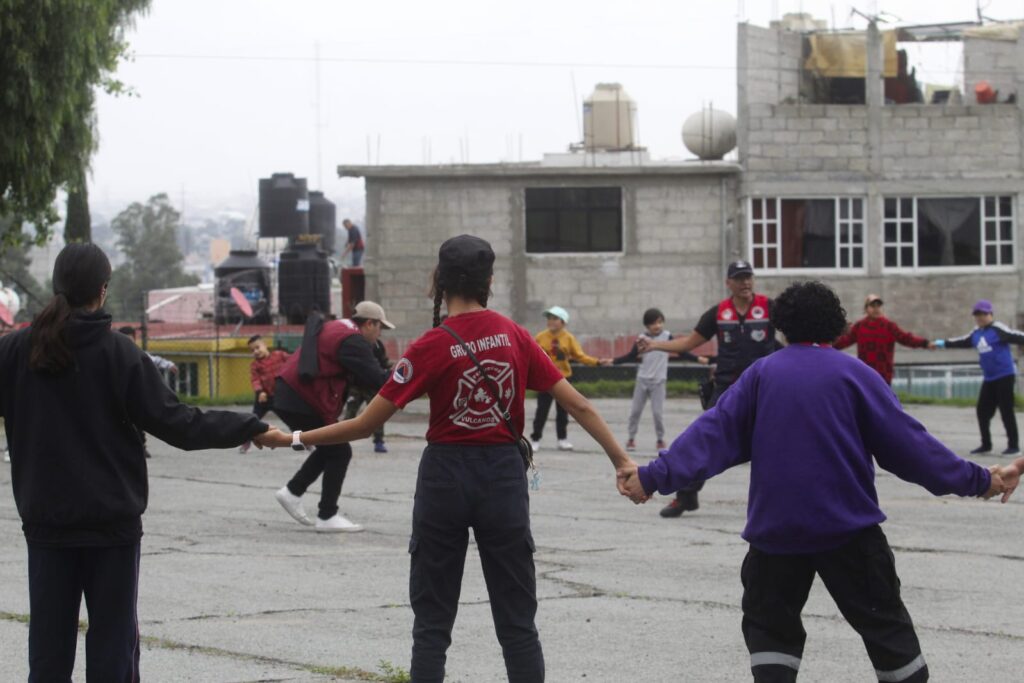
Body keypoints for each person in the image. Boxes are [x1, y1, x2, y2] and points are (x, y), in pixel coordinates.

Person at [255, 234, 636, 683]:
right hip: (501, 479)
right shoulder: (514, 335)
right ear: (489, 281)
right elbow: (579, 405)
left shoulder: (429, 346)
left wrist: (291, 437)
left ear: (438, 281)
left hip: (444, 480)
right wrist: (622, 461)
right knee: (517, 624)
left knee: (432, 627)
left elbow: (362, 425)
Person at [617, 281, 1019, 683]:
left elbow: (712, 436)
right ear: (836, 323)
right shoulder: (856, 375)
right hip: (849, 531)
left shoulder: (761, 375)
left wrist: (651, 477)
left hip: (776, 534)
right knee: (887, 633)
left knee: (772, 638)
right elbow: (912, 448)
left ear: (781, 326)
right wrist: (981, 481)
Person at [0, 244, 268, 681]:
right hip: (112, 527)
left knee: (47, 650)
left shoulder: (15, 352)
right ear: (103, 291)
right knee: (113, 646)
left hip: (46, 523)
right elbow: (179, 424)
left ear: (58, 286)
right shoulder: (120, 354)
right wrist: (248, 426)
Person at [639, 259, 777, 518]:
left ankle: (776, 502)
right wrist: (655, 345)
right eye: (739, 278)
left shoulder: (770, 307)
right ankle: (685, 497)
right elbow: (689, 343)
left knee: (775, 443)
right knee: (704, 442)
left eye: (748, 277)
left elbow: (792, 338)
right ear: (728, 283)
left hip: (765, 388)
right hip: (727, 388)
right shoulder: (718, 312)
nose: (745, 282)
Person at [272, 300, 393, 532]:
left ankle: (292, 491)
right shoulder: (353, 340)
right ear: (369, 323)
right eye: (380, 328)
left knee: (331, 449)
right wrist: (408, 377)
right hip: (301, 398)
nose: (380, 335)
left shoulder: (338, 328)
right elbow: (376, 378)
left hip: (290, 393)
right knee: (339, 451)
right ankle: (326, 515)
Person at [603, 307, 708, 451]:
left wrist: (698, 358)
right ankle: (631, 438)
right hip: (642, 380)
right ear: (647, 325)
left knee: (657, 414)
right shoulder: (642, 339)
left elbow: (680, 351)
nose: (657, 326)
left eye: (660, 322)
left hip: (659, 382)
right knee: (635, 412)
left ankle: (660, 439)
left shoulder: (667, 336)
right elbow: (631, 356)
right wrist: (613, 361)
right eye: (653, 323)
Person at [935, 299, 1024, 455]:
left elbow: (1017, 336)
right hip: (989, 378)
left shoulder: (998, 329)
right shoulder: (976, 333)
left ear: (990, 314)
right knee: (982, 411)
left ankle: (1013, 445)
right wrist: (942, 343)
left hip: (1005, 375)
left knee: (1006, 410)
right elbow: (961, 341)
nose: (980, 317)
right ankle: (986, 444)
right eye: (977, 314)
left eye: (984, 314)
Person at [530, 305, 600, 451]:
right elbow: (532, 356)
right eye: (549, 318)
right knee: (541, 410)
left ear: (563, 322)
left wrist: (597, 362)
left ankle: (562, 439)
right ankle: (535, 438)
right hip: (545, 379)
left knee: (563, 410)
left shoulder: (568, 338)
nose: (551, 321)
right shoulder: (541, 337)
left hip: (563, 379)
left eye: (555, 318)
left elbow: (579, 355)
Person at [833, 294, 933, 385]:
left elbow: (906, 338)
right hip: (865, 374)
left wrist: (925, 343)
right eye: (872, 306)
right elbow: (843, 341)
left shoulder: (889, 326)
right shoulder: (859, 326)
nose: (876, 309)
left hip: (884, 375)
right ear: (866, 309)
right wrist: (825, 344)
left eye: (878, 306)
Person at [117, 325, 179, 459]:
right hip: (119, 396)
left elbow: (152, 359)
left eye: (131, 340)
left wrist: (168, 365)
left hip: (134, 395)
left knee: (138, 423)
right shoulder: (114, 353)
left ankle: (141, 447)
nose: (128, 343)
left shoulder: (136, 353)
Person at [239, 334, 290, 453]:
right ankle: (246, 442)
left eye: (258, 347)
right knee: (253, 420)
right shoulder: (255, 365)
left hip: (280, 396)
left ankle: (302, 441)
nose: (256, 351)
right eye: (252, 350)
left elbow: (292, 362)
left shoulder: (279, 355)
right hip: (263, 398)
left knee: (290, 418)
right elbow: (255, 379)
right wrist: (260, 391)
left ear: (265, 345)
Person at [343, 337, 392, 453]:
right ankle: (341, 440)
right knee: (350, 413)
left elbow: (383, 361)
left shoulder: (377, 344)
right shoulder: (357, 344)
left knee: (377, 415)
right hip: (356, 386)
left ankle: (379, 441)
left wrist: (387, 371)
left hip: (372, 386)